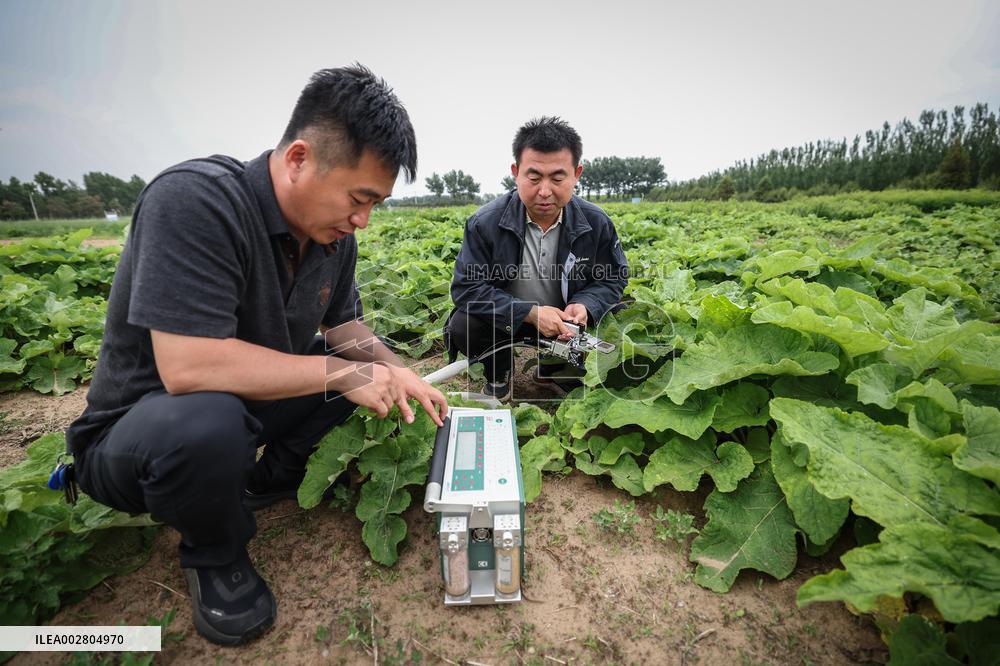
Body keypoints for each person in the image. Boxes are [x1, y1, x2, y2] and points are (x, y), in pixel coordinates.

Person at [64, 65, 448, 647]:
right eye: (359, 197)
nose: (363, 219)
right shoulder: (195, 199)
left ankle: (263, 479)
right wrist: (343, 372)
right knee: (211, 419)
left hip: (241, 405)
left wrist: (399, 374)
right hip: (147, 429)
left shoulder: (331, 236)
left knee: (355, 376)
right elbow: (189, 369)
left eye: (376, 204)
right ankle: (213, 551)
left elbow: (343, 327)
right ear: (298, 158)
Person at [447, 117, 629, 400]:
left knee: (621, 313)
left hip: (565, 322)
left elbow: (613, 276)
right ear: (516, 173)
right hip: (509, 320)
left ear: (576, 174)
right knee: (465, 323)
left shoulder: (597, 222)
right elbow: (466, 289)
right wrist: (530, 313)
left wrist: (586, 305)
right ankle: (499, 371)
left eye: (557, 178)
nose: (545, 191)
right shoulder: (485, 223)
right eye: (534, 178)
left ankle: (555, 368)